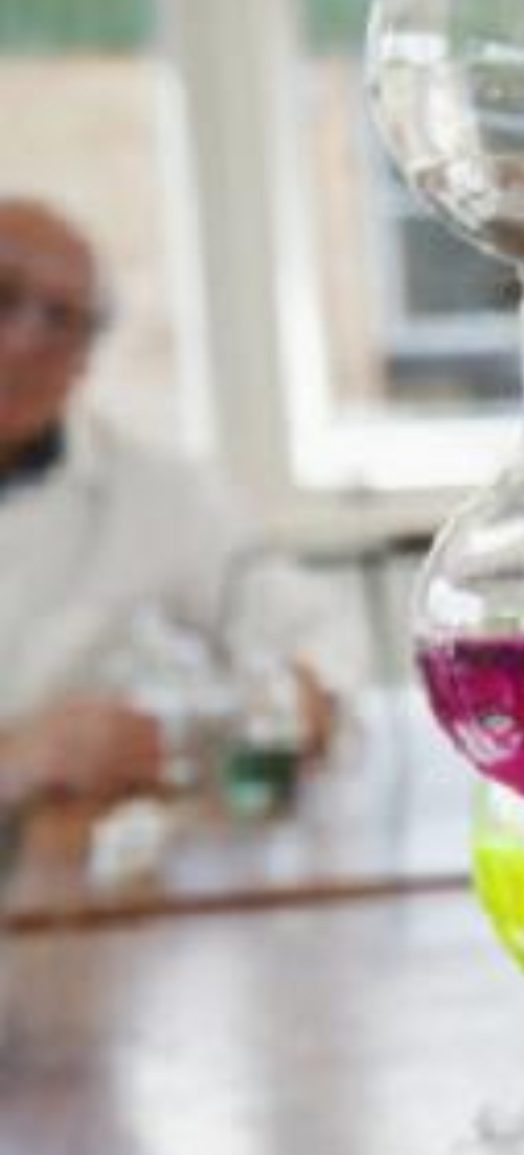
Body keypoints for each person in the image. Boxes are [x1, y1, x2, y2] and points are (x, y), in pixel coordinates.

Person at [0, 198, 360, 803]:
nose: (22, 342)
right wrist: (13, 763)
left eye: (61, 318)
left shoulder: (159, 494)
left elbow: (315, 634)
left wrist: (299, 694)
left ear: (86, 357)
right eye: (2, 297)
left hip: (85, 851)